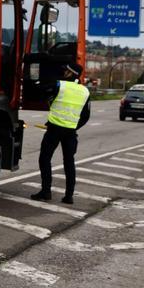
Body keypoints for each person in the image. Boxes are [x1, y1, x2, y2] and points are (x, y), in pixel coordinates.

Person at [30, 63, 90, 204]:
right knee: (69, 163)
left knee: (44, 159)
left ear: (71, 73)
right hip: (70, 132)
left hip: (54, 130)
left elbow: (40, 90)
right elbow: (86, 116)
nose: (64, 72)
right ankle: (69, 196)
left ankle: (46, 192)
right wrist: (73, 126)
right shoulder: (85, 91)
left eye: (66, 71)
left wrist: (37, 83)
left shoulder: (60, 85)